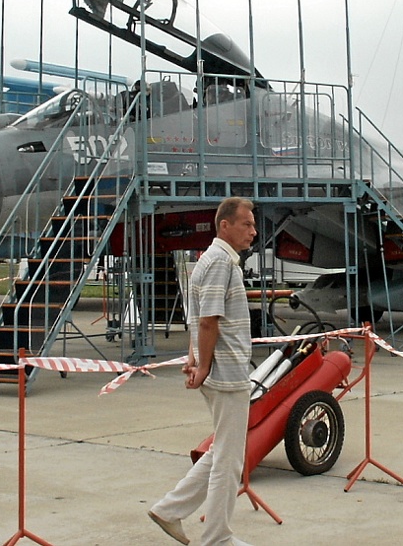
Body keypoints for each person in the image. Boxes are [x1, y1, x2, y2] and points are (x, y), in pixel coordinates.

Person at [149, 197, 256, 546]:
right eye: (246, 224)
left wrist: (195, 357)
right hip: (226, 374)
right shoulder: (220, 262)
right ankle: (217, 537)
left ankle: (170, 509)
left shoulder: (209, 261)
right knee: (229, 460)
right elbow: (208, 320)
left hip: (220, 370)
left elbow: (198, 319)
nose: (253, 231)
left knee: (221, 451)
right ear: (224, 225)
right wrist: (204, 365)